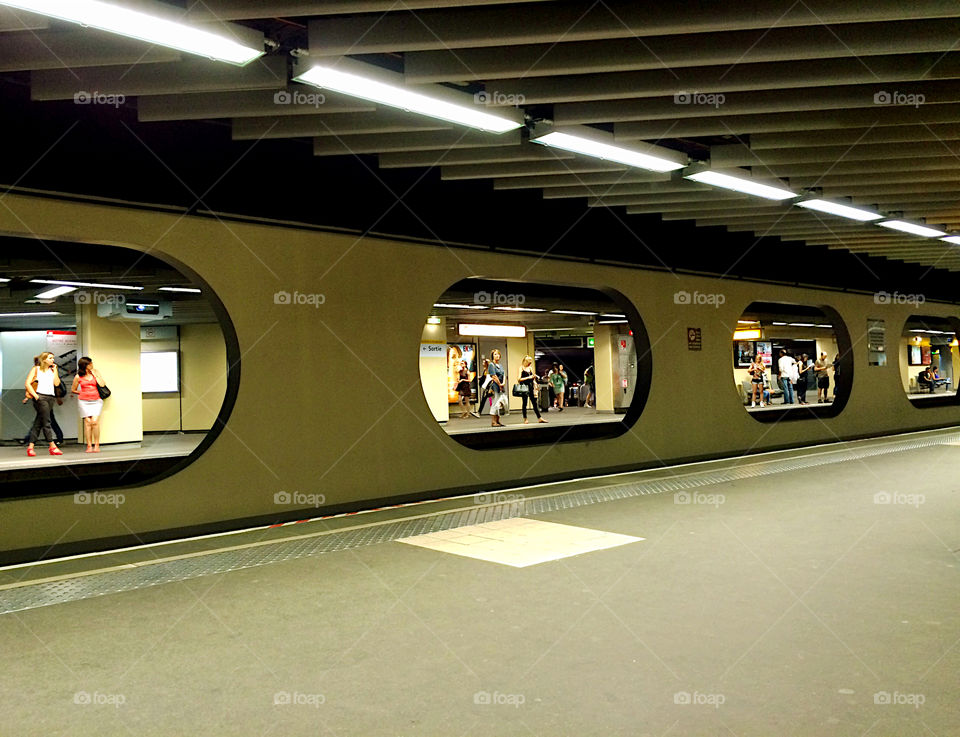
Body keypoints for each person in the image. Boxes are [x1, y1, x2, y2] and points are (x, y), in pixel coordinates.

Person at [25, 351, 63, 457]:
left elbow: (56, 383)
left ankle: (30, 447)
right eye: (50, 358)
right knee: (47, 422)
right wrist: (36, 396)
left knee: (38, 422)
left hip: (51, 397)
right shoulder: (36, 369)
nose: (53, 360)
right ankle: (52, 446)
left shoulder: (52, 370)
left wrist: (55, 370)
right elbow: (27, 383)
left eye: (53, 358)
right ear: (44, 360)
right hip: (40, 397)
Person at [72, 356, 106, 452]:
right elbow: (73, 390)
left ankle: (97, 445)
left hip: (96, 400)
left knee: (94, 422)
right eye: (89, 363)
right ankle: (89, 446)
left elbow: (102, 384)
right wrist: (83, 392)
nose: (92, 365)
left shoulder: (95, 372)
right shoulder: (78, 376)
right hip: (83, 401)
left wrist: (96, 375)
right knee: (87, 423)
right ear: (85, 365)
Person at [517, 355, 546, 425]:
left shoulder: (530, 368)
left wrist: (534, 379)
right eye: (528, 362)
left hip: (530, 387)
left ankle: (539, 418)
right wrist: (528, 377)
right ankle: (525, 418)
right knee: (525, 403)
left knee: (534, 403)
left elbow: (532, 378)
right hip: (524, 387)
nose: (529, 364)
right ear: (525, 361)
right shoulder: (521, 368)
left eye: (530, 363)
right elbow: (519, 379)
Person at [486, 349, 506, 427]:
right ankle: (493, 421)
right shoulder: (491, 365)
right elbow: (494, 376)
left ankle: (498, 420)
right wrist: (500, 384)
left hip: (501, 386)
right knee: (495, 402)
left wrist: (503, 383)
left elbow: (503, 375)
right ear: (492, 356)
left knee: (499, 403)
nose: (497, 356)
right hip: (495, 386)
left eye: (498, 354)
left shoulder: (500, 365)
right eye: (495, 354)